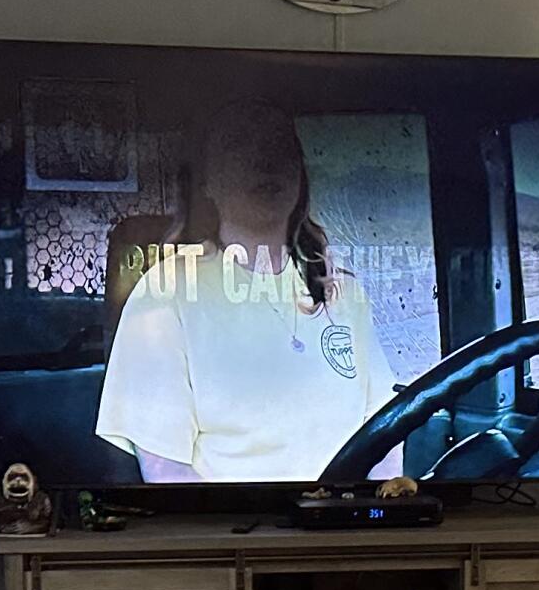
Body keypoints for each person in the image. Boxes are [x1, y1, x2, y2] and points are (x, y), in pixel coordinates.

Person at [96, 101, 395, 483]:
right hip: (232, 520)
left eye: (279, 145)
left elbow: (386, 432)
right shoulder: (165, 292)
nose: (265, 160)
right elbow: (166, 470)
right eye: (240, 145)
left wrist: (376, 512)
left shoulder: (343, 293)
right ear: (208, 181)